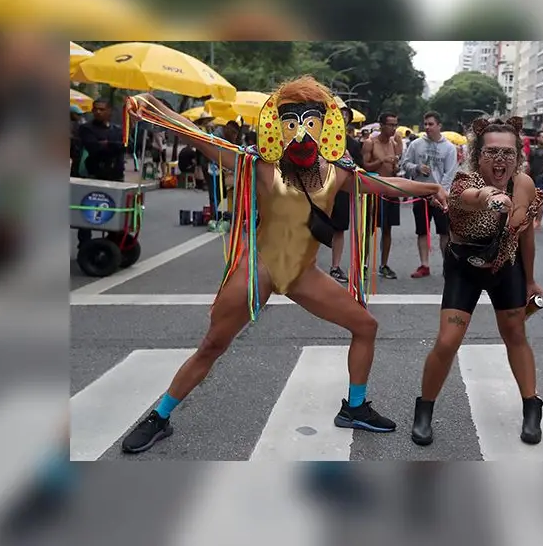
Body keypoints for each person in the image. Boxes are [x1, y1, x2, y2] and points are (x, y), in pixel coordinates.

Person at [118, 77, 448, 454]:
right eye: (292, 124)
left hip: (302, 275)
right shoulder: (261, 167)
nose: (302, 134)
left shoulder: (337, 172)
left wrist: (433, 189)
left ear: (325, 127)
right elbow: (201, 138)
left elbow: (385, 186)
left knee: (365, 326)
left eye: (310, 124)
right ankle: (159, 416)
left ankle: (355, 407)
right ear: (278, 126)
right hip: (258, 270)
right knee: (212, 344)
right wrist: (155, 106)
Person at [411, 116, 543, 447]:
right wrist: (491, 197)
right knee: (448, 340)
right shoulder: (463, 180)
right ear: (477, 154)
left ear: (518, 155)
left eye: (508, 153)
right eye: (492, 152)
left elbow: (526, 236)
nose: (500, 160)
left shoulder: (525, 185)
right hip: (465, 266)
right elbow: (470, 196)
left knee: (516, 334)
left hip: (507, 267)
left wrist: (530, 281)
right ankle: (424, 409)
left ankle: (532, 407)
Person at [400, 111, 458, 278]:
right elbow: (405, 163)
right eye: (425, 124)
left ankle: (448, 266)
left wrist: (438, 193)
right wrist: (417, 168)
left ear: (439, 126)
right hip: (420, 193)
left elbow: (450, 174)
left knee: (444, 232)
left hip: (441, 197)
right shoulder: (416, 144)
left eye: (431, 124)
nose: (427, 127)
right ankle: (424, 265)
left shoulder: (449, 148)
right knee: (422, 231)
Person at [76, 99, 126, 245]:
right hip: (93, 174)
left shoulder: (117, 129)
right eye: (96, 109)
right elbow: (94, 148)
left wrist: (108, 144)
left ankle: (112, 242)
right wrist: (113, 145)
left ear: (109, 111)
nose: (98, 112)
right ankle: (84, 244)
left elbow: (125, 145)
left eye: (102, 109)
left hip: (115, 175)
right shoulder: (86, 128)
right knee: (87, 209)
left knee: (114, 210)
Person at [361, 112, 403, 279]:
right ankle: (363, 264)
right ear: (382, 126)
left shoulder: (394, 143)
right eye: (391, 125)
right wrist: (381, 161)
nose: (393, 128)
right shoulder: (370, 143)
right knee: (369, 229)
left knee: (387, 229)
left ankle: (384, 265)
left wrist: (396, 167)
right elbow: (364, 166)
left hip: (390, 190)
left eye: (395, 125)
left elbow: (395, 166)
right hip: (373, 191)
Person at [329, 98, 362, 283]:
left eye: (345, 115)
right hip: (320, 190)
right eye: (338, 113)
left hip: (342, 192)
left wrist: (350, 162)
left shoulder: (353, 144)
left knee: (339, 229)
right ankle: (303, 265)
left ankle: (335, 266)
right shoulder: (317, 139)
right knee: (313, 227)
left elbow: (359, 168)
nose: (341, 117)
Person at [526, 131, 543, 228]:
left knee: (540, 199)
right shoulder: (532, 150)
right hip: (532, 177)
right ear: (537, 138)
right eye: (542, 137)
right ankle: (531, 219)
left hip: (541, 178)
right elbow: (529, 165)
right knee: (530, 199)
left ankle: (538, 221)